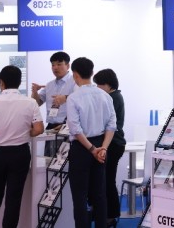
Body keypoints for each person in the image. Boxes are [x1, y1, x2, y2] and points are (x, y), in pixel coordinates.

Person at [0, 65, 44, 228]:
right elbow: (39, 129)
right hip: (20, 153)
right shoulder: (30, 103)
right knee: (14, 198)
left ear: (1, 82)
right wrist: (25, 132)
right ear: (19, 82)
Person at [67, 57, 117, 228]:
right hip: (101, 146)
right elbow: (112, 125)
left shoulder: (74, 98)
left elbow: (75, 129)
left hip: (82, 148)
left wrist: (92, 149)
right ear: (92, 72)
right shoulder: (105, 96)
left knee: (80, 197)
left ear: (75, 75)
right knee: (99, 195)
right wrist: (103, 148)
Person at [93, 68, 126, 228]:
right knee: (105, 180)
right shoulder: (113, 96)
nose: (97, 88)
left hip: (113, 144)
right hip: (112, 144)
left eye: (100, 84)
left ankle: (111, 215)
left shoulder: (113, 98)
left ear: (108, 84)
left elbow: (109, 124)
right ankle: (107, 213)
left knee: (107, 180)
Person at [31, 51, 76, 130]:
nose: (55, 67)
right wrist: (35, 92)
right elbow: (37, 103)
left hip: (68, 126)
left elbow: (82, 100)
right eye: (53, 65)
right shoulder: (49, 85)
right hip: (51, 126)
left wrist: (65, 98)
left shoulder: (75, 82)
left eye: (59, 64)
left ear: (68, 65)